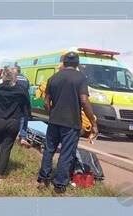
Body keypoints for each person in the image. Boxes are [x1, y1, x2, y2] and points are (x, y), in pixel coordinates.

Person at [37, 52, 98, 194]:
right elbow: (84, 100)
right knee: (66, 153)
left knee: (49, 149)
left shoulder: (53, 78)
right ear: (77, 63)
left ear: (64, 62)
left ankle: (43, 178)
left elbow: (46, 103)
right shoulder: (81, 78)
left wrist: (53, 113)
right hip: (71, 123)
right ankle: (59, 184)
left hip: (54, 121)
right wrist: (93, 122)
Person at [0, 67, 30, 181]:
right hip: (14, 122)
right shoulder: (22, 90)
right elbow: (27, 109)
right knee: (6, 147)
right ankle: (0, 174)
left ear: (3, 75)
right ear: (15, 77)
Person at [14, 65, 31, 148]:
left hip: (15, 101)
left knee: (15, 118)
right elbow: (27, 89)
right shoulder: (25, 78)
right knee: (24, 119)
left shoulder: (14, 78)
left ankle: (15, 136)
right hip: (25, 101)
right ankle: (23, 137)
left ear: (15, 71)